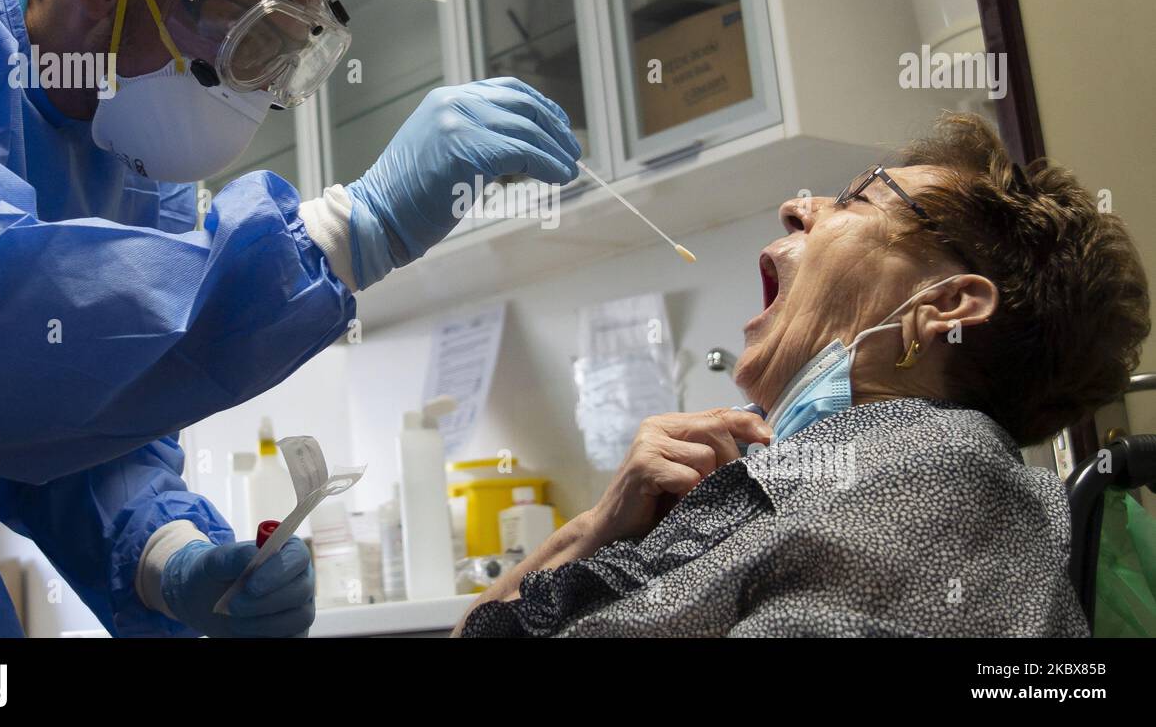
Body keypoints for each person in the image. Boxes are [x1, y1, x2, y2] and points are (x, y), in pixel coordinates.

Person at [0, 0, 579, 637]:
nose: (255, 97)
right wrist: (348, 233)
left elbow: (92, 413)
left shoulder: (136, 158)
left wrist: (171, 560)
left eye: (283, 63)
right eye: (247, 44)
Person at [455, 113, 1149, 637]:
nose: (798, 206)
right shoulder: (806, 484)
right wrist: (600, 526)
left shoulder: (940, 485)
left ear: (945, 307)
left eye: (858, 199)